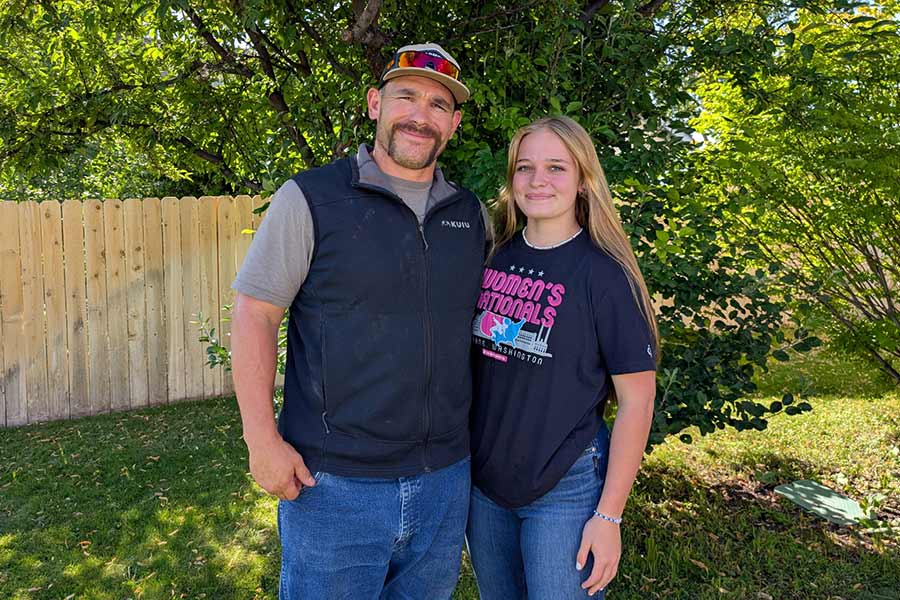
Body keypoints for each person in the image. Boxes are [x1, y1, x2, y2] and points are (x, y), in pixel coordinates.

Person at [230, 42, 489, 599]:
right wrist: (261, 439)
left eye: (438, 105)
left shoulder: (471, 216)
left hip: (444, 480)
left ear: (455, 123)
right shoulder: (310, 198)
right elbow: (255, 313)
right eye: (406, 97)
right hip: (333, 486)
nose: (421, 115)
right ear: (375, 104)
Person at [466, 116, 659, 599]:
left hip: (566, 485)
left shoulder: (606, 275)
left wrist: (609, 514)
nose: (538, 181)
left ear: (582, 179)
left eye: (556, 167)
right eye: (525, 167)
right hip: (485, 483)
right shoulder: (494, 257)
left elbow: (636, 401)